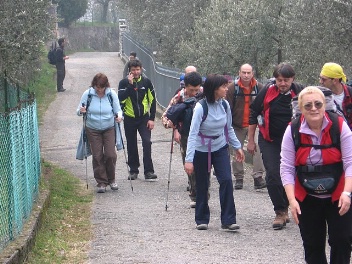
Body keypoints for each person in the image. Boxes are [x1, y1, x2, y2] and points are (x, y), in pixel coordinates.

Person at [280, 86, 352, 263]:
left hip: (339, 194)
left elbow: (351, 163)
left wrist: (347, 193)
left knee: (342, 241)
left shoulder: (339, 126)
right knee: (312, 245)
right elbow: (287, 167)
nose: (314, 108)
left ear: (324, 105)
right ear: (301, 108)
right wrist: (291, 201)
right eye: (308, 105)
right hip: (306, 195)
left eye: (318, 104)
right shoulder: (293, 130)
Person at [184, 74, 245, 230]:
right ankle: (202, 219)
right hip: (201, 149)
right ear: (214, 89)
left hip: (220, 147)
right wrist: (189, 159)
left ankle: (228, 220)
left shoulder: (224, 105)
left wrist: (237, 147)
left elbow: (228, 128)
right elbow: (192, 134)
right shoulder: (200, 107)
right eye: (223, 87)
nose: (226, 89)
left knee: (226, 180)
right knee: (203, 183)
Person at [247, 63, 303, 230]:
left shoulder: (300, 92)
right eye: (279, 80)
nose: (282, 83)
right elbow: (254, 113)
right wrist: (251, 140)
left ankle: (291, 205)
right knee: (272, 175)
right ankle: (280, 211)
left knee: (296, 175)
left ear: (292, 79)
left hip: (295, 142)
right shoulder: (267, 91)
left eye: (286, 80)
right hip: (269, 139)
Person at [162, 71, 203, 208]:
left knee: (204, 166)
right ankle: (195, 194)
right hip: (185, 135)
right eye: (191, 90)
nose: (194, 93)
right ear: (185, 86)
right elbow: (165, 116)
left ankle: (203, 195)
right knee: (189, 165)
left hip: (203, 135)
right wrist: (170, 124)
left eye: (197, 90)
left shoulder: (205, 95)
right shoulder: (179, 97)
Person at [77, 73, 123, 193]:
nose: (99, 89)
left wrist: (119, 117)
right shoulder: (88, 94)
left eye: (101, 87)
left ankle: (111, 179)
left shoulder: (111, 94)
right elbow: (78, 110)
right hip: (92, 128)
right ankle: (101, 182)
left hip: (109, 127)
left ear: (106, 86)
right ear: (94, 85)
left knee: (110, 154)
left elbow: (118, 110)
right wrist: (82, 110)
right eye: (97, 87)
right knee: (97, 155)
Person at [225, 64, 266, 190]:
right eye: (244, 72)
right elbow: (227, 107)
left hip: (255, 125)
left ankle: (258, 177)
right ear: (239, 73)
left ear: (252, 73)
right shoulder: (232, 88)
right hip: (237, 125)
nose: (246, 75)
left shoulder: (260, 88)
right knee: (237, 150)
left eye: (248, 73)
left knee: (258, 149)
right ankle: (239, 177)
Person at [118, 59, 157, 180]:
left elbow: (153, 100)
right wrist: (130, 85)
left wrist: (151, 119)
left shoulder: (146, 82)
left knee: (147, 142)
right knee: (131, 144)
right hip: (129, 118)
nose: (135, 72)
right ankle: (133, 170)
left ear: (141, 69)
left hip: (143, 118)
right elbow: (121, 99)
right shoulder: (123, 83)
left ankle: (149, 171)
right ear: (129, 71)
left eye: (137, 69)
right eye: (133, 70)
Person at [319, 62, 352, 129]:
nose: (320, 82)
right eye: (320, 78)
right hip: (336, 137)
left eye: (323, 79)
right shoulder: (321, 97)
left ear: (335, 80)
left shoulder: (350, 93)